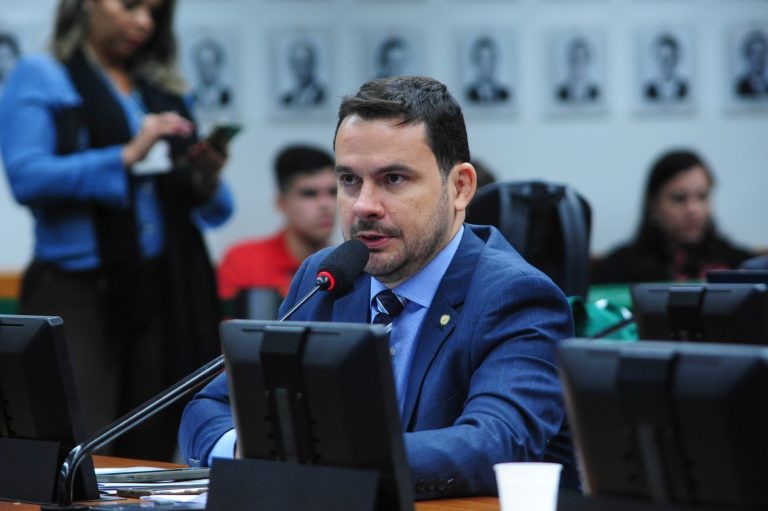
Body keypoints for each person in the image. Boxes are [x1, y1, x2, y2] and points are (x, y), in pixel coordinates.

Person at [179, 76, 578, 498]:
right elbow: (209, 407)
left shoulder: (516, 297)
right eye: (349, 181)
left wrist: (313, 463)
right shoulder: (327, 278)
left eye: (394, 179)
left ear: (459, 187)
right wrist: (245, 450)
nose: (364, 205)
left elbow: (492, 443)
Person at [0, 0, 233, 461]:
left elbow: (217, 209)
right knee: (76, 441)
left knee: (159, 438)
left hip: (165, 287)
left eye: (154, 11)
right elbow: (27, 177)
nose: (143, 22)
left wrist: (205, 173)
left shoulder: (163, 89)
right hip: (77, 291)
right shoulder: (43, 74)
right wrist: (126, 155)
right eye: (130, 6)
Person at [593, 150, 753, 284]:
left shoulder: (740, 264)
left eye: (702, 196)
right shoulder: (619, 268)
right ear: (653, 203)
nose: (693, 209)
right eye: (679, 198)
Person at [217, 144, 336, 300]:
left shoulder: (352, 268)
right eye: (310, 194)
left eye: (333, 192)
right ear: (281, 203)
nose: (325, 204)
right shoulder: (244, 261)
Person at [465, 35, 511, 104]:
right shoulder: (469, 95)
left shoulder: (504, 94)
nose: (488, 65)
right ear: (476, 63)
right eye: (483, 60)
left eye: (491, 59)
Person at [281, 37, 325, 108]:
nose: (301, 69)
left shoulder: (322, 95)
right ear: (292, 67)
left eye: (305, 63)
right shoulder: (287, 99)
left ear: (313, 65)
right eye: (297, 64)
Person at [190, 36, 232, 110]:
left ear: (218, 65)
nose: (206, 70)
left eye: (210, 64)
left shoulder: (226, 96)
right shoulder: (192, 96)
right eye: (202, 64)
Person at [644, 33, 688, 102]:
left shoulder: (684, 89)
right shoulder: (648, 90)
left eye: (668, 58)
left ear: (676, 60)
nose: (664, 63)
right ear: (655, 59)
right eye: (660, 58)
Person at [556, 36, 600, 103]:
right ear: (569, 62)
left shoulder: (595, 93)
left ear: (588, 63)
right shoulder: (561, 93)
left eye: (582, 60)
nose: (578, 65)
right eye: (575, 60)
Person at [735, 29, 768, 99]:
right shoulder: (741, 87)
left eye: (761, 54)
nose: (758, 59)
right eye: (754, 54)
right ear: (748, 56)